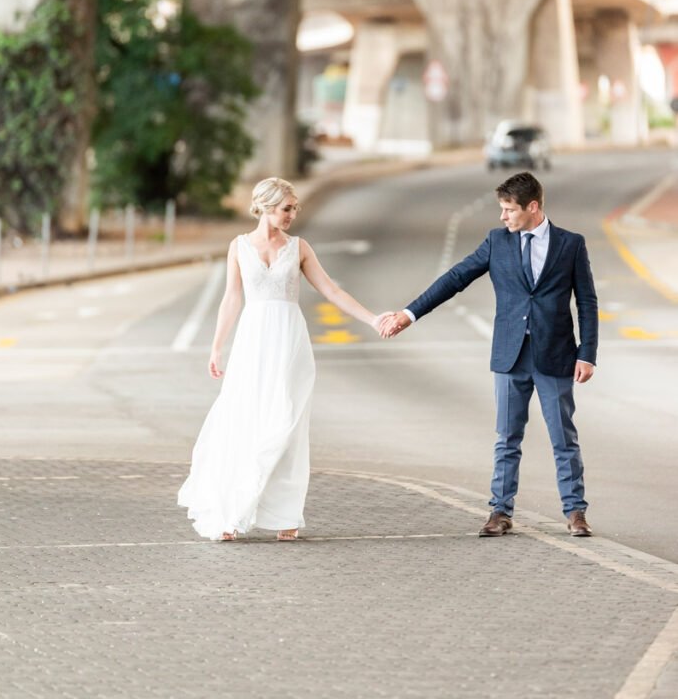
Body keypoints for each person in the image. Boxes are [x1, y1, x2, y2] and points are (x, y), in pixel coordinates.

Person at [379, 171, 598, 538]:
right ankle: (500, 511)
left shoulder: (570, 244)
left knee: (564, 438)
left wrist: (587, 353)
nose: (503, 216)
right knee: (507, 437)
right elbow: (456, 278)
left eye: (509, 209)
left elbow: (587, 302)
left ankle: (576, 512)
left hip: (556, 355)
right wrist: (409, 314)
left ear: (532, 207)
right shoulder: (497, 242)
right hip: (510, 357)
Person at [178, 176, 385, 542]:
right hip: (253, 342)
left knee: (287, 424)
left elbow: (331, 290)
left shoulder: (299, 248)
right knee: (244, 421)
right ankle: (231, 512)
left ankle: (285, 514)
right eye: (287, 208)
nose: (293, 214)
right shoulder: (238, 247)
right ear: (267, 206)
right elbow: (232, 298)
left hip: (290, 342)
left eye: (295, 208)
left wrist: (372, 319)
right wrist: (216, 347)